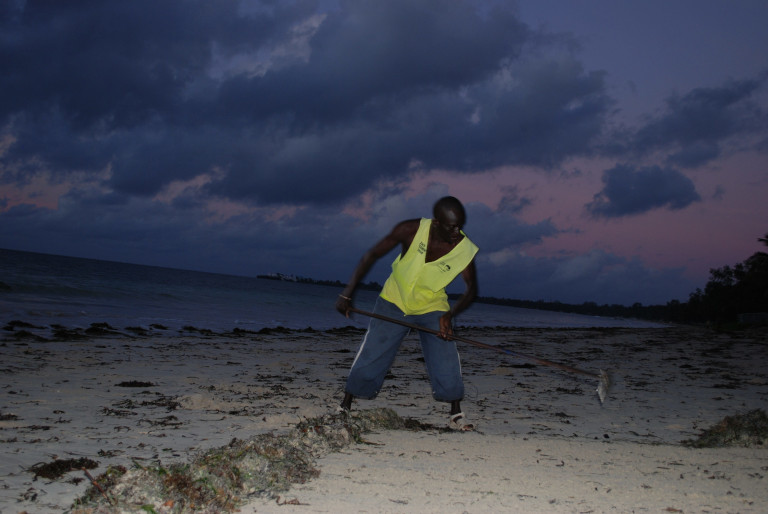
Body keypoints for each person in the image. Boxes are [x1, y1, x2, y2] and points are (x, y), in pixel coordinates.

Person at [335, 196, 479, 430]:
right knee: (372, 353)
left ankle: (455, 414)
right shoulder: (410, 230)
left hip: (432, 306)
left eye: (460, 225)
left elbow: (471, 289)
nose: (457, 231)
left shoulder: (464, 249)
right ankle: (345, 405)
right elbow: (371, 255)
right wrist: (347, 294)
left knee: (446, 356)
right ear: (435, 222)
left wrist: (449, 315)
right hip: (394, 300)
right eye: (451, 226)